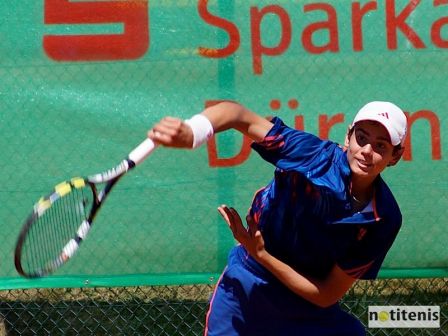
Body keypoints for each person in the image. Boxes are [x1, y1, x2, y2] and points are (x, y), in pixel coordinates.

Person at [147, 100, 407, 336]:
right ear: (348, 135)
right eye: (361, 138)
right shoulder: (311, 155)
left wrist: (263, 254)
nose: (366, 151)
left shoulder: (384, 218)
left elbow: (326, 294)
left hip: (308, 307)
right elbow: (235, 114)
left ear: (395, 155)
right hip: (250, 283)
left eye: (381, 146)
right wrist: (193, 132)